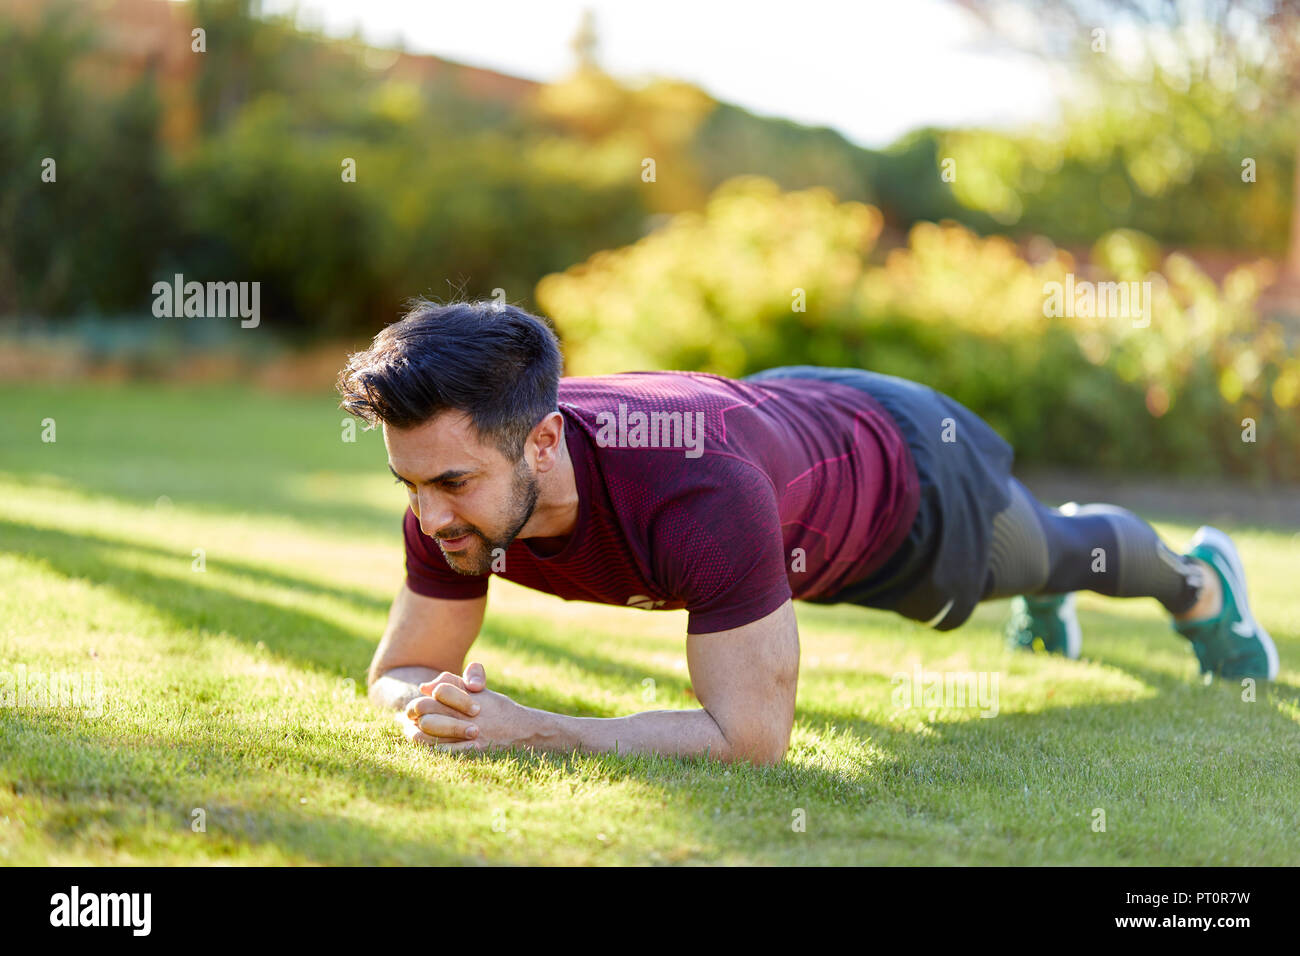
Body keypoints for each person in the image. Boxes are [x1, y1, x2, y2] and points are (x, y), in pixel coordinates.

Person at [337, 299, 1279, 766]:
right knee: (1037, 557)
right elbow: (398, 670)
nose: (429, 518)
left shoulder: (698, 491)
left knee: (1056, 549)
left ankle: (1199, 582)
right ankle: (1051, 589)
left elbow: (750, 738)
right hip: (787, 432)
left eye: (451, 484)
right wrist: (427, 708)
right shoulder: (453, 491)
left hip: (900, 485)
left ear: (543, 441)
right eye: (409, 484)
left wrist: (531, 729)